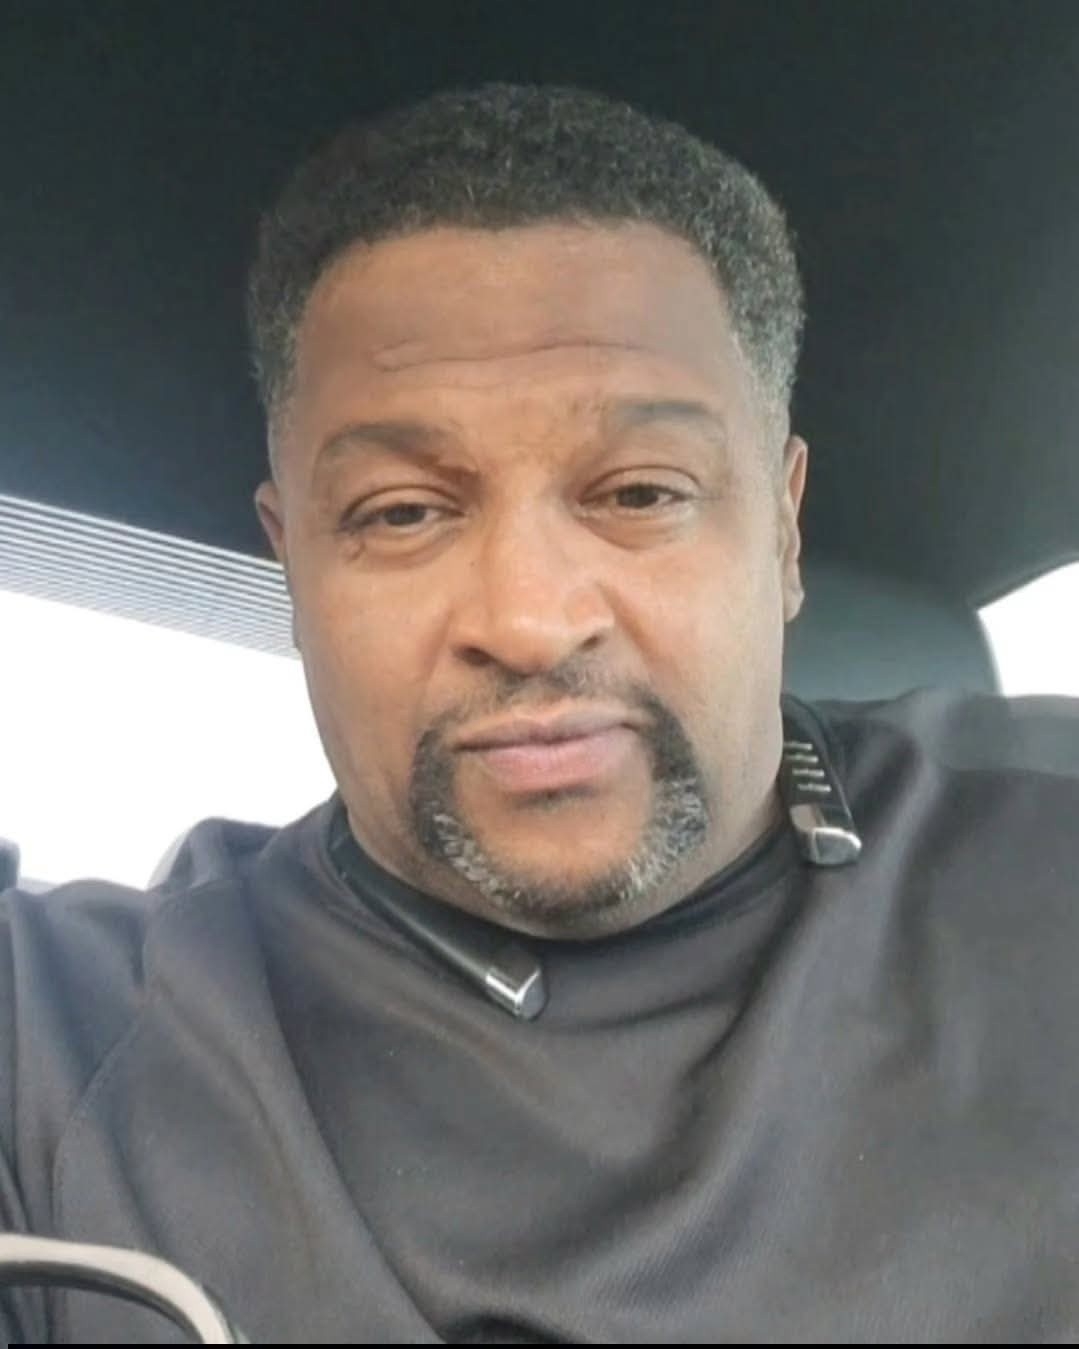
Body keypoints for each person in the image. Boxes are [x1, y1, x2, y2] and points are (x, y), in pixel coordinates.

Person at [2, 82, 1078, 1344]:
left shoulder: (1043, 848)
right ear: (293, 565)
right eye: (403, 511)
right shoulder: (59, 1035)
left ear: (782, 529)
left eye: (638, 492)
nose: (525, 618)